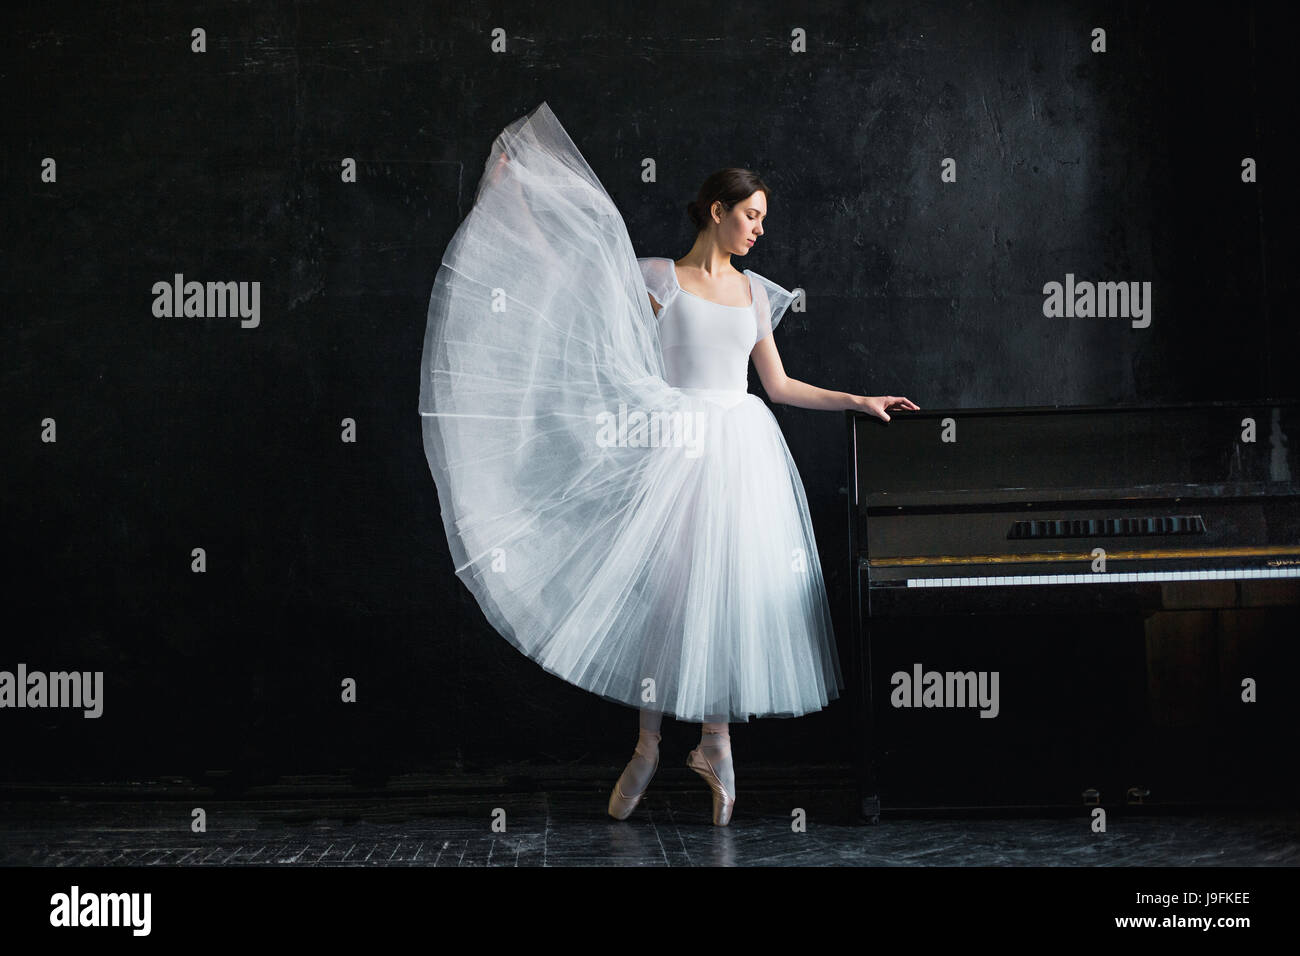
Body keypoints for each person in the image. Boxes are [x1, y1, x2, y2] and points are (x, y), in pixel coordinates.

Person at [418, 101, 917, 827]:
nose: (760, 228)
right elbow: (570, 287)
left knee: (725, 595)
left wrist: (856, 398)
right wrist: (516, 205)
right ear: (716, 211)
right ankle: (649, 744)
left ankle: (715, 743)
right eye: (751, 214)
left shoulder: (752, 294)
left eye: (762, 218)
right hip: (674, 450)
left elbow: (775, 387)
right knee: (667, 596)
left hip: (740, 452)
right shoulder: (656, 277)